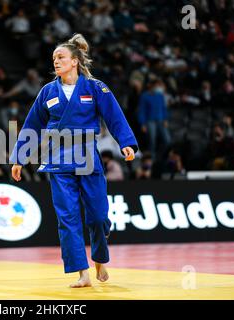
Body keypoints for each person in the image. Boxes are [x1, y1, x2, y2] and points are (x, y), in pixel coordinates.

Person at [10, 34, 138, 288]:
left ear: (75, 61)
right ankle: (82, 272)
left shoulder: (95, 87)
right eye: (54, 58)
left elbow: (114, 116)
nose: (56, 62)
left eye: (61, 57)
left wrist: (126, 142)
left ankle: (100, 258)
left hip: (87, 156)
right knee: (67, 217)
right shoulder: (48, 91)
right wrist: (19, 158)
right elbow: (32, 125)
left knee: (99, 216)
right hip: (58, 158)